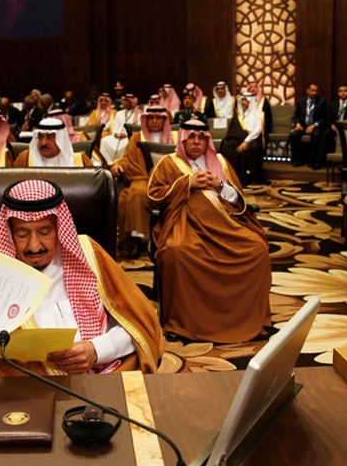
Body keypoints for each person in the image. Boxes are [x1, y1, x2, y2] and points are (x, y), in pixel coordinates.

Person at [0, 179, 164, 376]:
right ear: (9, 231)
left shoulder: (88, 254)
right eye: (22, 234)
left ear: (60, 227)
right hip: (21, 388)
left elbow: (142, 324)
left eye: (44, 232)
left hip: (102, 378)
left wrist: (96, 350)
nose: (34, 246)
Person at [148, 120, 272, 343]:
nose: (196, 142)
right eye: (191, 137)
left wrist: (218, 185)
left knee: (257, 249)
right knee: (178, 252)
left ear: (208, 141)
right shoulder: (169, 163)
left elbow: (237, 200)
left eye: (201, 138)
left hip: (224, 225)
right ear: (182, 139)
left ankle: (244, 318)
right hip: (186, 225)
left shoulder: (221, 162)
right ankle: (184, 322)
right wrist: (188, 183)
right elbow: (153, 198)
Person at [110, 106, 172, 258]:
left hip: (169, 181)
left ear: (165, 120)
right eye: (151, 118)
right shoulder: (137, 137)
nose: (155, 121)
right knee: (136, 193)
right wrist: (119, 166)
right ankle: (137, 240)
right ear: (146, 120)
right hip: (142, 178)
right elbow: (126, 159)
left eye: (158, 118)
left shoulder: (174, 137)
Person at [221, 93, 265, 185]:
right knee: (228, 145)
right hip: (239, 138)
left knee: (252, 148)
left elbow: (257, 131)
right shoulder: (238, 114)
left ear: (251, 102)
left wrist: (246, 141)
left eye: (245, 100)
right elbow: (233, 130)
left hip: (252, 139)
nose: (243, 102)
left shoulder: (258, 114)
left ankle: (250, 176)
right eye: (242, 100)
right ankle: (231, 174)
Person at [13, 118, 94, 167]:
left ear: (61, 140)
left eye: (50, 137)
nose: (44, 143)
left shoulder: (80, 162)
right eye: (40, 137)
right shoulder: (25, 159)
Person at [289, 82, 329, 169]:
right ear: (307, 91)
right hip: (303, 126)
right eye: (312, 90)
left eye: (316, 91)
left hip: (316, 126)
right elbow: (296, 116)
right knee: (294, 135)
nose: (314, 93)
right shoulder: (300, 101)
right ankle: (297, 159)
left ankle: (313, 160)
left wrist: (313, 126)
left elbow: (323, 118)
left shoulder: (321, 101)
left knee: (316, 135)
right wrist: (298, 124)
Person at [100, 93, 142, 164]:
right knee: (104, 141)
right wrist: (116, 134)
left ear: (133, 102)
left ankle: (123, 163)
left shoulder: (139, 114)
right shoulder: (119, 113)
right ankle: (109, 163)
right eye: (125, 101)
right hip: (117, 136)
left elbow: (138, 130)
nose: (125, 103)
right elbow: (115, 127)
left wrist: (125, 135)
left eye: (128, 101)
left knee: (128, 144)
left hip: (129, 137)